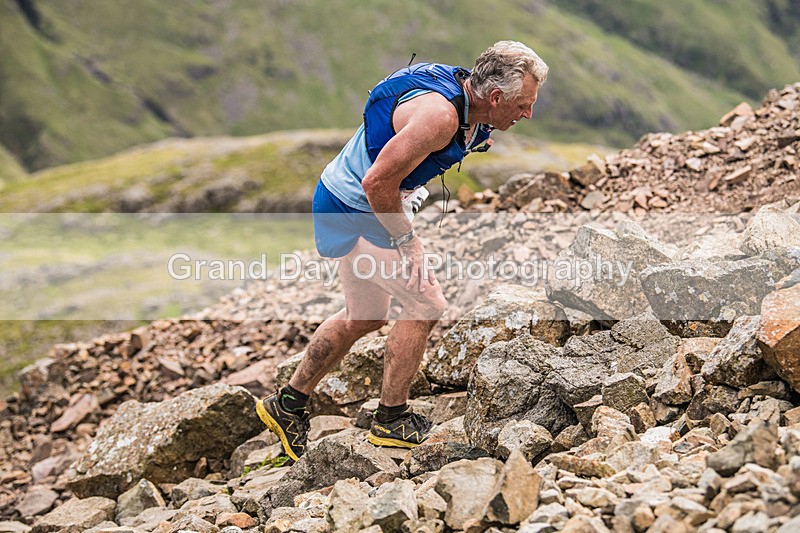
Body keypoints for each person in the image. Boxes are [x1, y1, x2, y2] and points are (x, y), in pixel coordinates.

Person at [256, 41, 548, 461]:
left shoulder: (470, 102)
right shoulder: (440, 117)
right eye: (524, 104)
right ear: (496, 96)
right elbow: (376, 184)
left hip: (353, 200)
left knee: (366, 316)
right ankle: (391, 419)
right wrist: (407, 242)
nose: (528, 114)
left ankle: (288, 404)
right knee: (425, 302)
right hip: (352, 206)